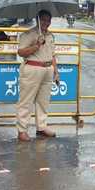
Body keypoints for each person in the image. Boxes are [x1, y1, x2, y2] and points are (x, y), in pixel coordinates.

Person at [16, 10, 59, 141]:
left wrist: (56, 72)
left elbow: (52, 55)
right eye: (44, 20)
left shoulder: (50, 36)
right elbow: (21, 52)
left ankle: (41, 127)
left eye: (48, 20)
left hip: (47, 69)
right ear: (38, 20)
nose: (46, 23)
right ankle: (22, 130)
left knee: (43, 102)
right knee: (26, 101)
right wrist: (37, 45)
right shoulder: (28, 34)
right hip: (32, 68)